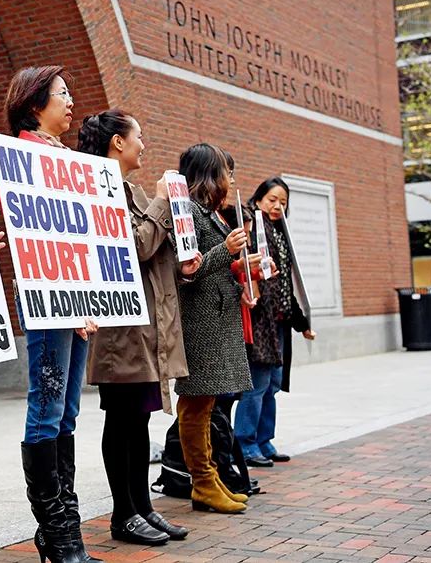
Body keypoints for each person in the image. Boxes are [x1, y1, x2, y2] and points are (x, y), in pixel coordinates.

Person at [77, 110, 197, 546]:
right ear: (117, 143)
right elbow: (136, 246)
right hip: (120, 329)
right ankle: (123, 513)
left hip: (145, 328)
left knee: (139, 420)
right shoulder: (97, 191)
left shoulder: (132, 191)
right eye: (139, 136)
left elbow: (155, 251)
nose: (144, 145)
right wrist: (164, 203)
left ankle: (142, 507)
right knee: (123, 420)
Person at [2, 65, 99, 563]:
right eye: (62, 94)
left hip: (75, 301)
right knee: (47, 407)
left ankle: (64, 532)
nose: (71, 101)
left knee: (68, 410)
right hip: (47, 303)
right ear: (35, 104)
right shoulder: (26, 155)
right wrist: (68, 298)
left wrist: (89, 295)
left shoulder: (69, 158)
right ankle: (58, 534)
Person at [174, 143, 253, 514]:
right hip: (200, 323)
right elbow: (187, 270)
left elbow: (216, 270)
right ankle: (202, 482)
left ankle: (211, 479)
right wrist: (226, 248)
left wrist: (242, 286)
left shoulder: (211, 213)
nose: (228, 178)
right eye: (224, 170)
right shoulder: (187, 211)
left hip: (217, 318)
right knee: (196, 405)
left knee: (206, 406)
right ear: (208, 173)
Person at [236, 177, 316, 468]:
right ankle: (244, 444)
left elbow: (286, 285)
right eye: (272, 199)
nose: (277, 206)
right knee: (256, 385)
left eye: (283, 202)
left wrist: (301, 322)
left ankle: (263, 440)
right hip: (260, 321)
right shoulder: (252, 228)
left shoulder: (280, 233)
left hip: (279, 321)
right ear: (258, 200)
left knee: (272, 385)